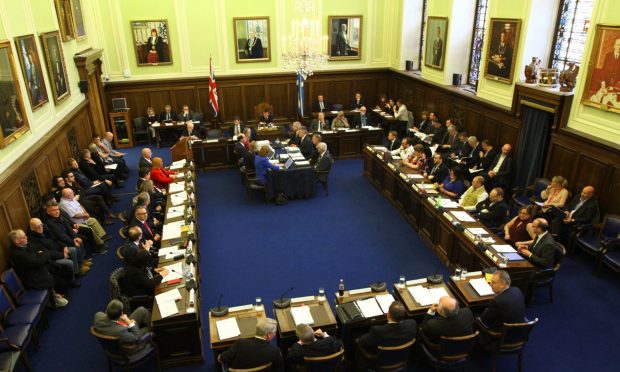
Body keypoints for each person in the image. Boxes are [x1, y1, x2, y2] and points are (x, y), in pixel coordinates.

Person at [8, 229, 71, 307]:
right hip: (32, 277)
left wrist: (41, 255)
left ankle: (55, 294)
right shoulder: (18, 254)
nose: (27, 237)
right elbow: (38, 262)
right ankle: (53, 301)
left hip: (39, 268)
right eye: (24, 237)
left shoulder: (25, 244)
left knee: (64, 269)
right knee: (57, 279)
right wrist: (41, 254)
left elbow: (42, 250)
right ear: (17, 241)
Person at [477, 270, 525, 351]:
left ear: (503, 284)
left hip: (500, 337)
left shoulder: (498, 301)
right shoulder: (517, 290)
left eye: (493, 282)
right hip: (518, 333)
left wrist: (483, 312)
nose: (490, 284)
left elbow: (483, 319)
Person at [218, 318, 284, 371]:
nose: (275, 334)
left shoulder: (240, 344)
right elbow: (280, 368)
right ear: (268, 334)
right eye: (275, 332)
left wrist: (219, 357)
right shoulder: (275, 351)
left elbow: (221, 358)